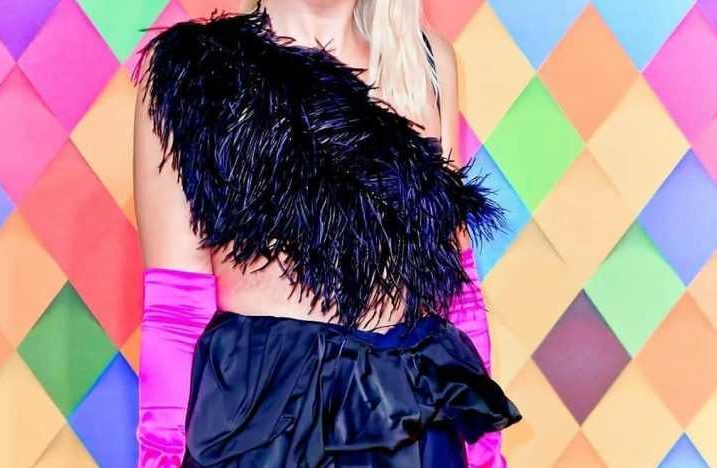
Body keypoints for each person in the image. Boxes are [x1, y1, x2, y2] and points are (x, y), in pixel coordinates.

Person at [131, 0, 522, 466]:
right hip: (269, 430)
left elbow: (455, 284)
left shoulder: (425, 62)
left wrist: (485, 454)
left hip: (413, 424)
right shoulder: (195, 70)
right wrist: (160, 458)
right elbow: (176, 311)